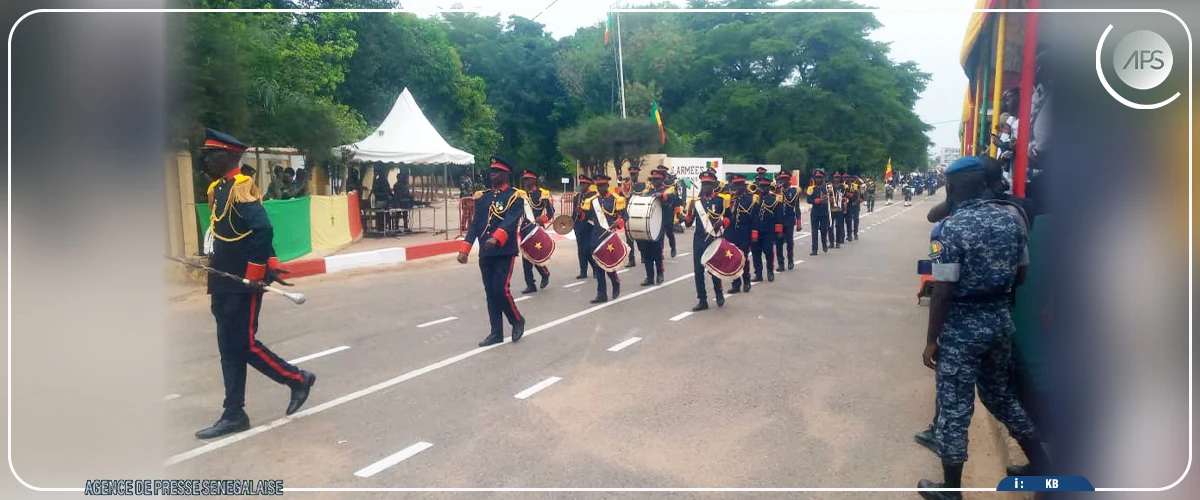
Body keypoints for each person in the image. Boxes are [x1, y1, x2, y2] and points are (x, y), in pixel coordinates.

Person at [917, 156, 1048, 499]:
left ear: (952, 187)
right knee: (1001, 397)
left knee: (955, 406)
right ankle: (1042, 466)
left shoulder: (952, 228)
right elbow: (1021, 275)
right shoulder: (1010, 221)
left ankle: (951, 489)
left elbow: (943, 290)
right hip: (1000, 321)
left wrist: (931, 340)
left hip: (962, 328)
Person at [195, 128, 316, 440]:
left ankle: (296, 379)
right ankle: (234, 413)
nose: (206, 159)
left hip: (242, 282)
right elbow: (237, 233)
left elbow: (262, 230)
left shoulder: (242, 187)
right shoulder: (217, 189)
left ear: (228, 156)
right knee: (228, 348)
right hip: (222, 279)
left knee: (243, 344)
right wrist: (271, 262)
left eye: (211, 154)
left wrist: (256, 272)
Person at [457, 157, 527, 347]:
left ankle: (517, 320)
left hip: (504, 251)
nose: (492, 174)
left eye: (496, 171)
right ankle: (496, 332)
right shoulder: (483, 197)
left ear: (506, 174)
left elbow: (511, 220)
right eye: (491, 171)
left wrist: (497, 237)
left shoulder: (514, 196)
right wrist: (465, 249)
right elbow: (475, 224)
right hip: (486, 252)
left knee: (500, 289)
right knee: (490, 293)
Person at [684, 170, 728, 311]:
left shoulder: (720, 200)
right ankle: (702, 300)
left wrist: (722, 222)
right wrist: (688, 213)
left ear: (713, 185)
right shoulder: (696, 202)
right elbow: (688, 223)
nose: (705, 186)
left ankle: (719, 293)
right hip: (699, 240)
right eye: (703, 184)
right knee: (698, 271)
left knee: (714, 269)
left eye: (708, 184)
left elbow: (729, 218)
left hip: (714, 239)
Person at [586, 174, 625, 303]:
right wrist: (580, 213)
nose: (600, 188)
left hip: (609, 236)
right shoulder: (593, 201)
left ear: (607, 186)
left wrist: (617, 222)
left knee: (608, 263)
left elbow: (624, 216)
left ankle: (615, 281)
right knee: (598, 266)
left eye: (602, 185)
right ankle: (601, 294)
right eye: (598, 186)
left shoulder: (616, 199)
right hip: (596, 235)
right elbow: (587, 217)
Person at [638, 169, 678, 286]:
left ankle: (660, 274)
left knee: (657, 252)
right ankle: (649, 277)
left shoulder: (667, 190)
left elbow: (671, 198)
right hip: (647, 225)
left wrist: (661, 196)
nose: (654, 181)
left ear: (662, 179)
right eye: (653, 179)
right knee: (646, 252)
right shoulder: (648, 192)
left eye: (657, 179)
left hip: (660, 225)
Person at [518, 171, 553, 294]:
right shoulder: (522, 195)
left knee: (535, 255)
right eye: (524, 179)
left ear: (534, 180)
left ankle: (544, 273)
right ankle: (530, 284)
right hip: (524, 228)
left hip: (535, 228)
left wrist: (542, 219)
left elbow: (551, 212)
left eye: (528, 179)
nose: (526, 181)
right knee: (525, 257)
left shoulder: (542, 194)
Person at [725, 174, 755, 293]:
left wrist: (753, 233)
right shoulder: (729, 198)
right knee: (732, 259)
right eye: (735, 185)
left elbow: (753, 218)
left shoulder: (750, 199)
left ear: (743, 186)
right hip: (731, 233)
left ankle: (746, 281)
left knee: (743, 258)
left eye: (738, 185)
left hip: (744, 232)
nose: (736, 188)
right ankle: (735, 284)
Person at [751, 177, 783, 283]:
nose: (762, 188)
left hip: (768, 230)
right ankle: (758, 274)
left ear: (769, 187)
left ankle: (770, 271)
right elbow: (753, 216)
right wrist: (753, 231)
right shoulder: (755, 198)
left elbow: (778, 216)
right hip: (756, 230)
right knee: (756, 253)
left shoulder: (774, 199)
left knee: (768, 251)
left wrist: (779, 231)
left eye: (765, 186)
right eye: (761, 186)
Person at [774, 172, 801, 271]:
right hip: (778, 221)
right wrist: (777, 191)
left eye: (785, 179)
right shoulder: (776, 192)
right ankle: (781, 264)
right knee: (778, 243)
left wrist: (799, 223)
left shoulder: (794, 192)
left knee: (789, 242)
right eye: (781, 179)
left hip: (789, 221)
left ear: (789, 180)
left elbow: (797, 208)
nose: (782, 181)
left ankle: (790, 261)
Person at [573, 175, 597, 280]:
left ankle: (596, 269)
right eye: (581, 184)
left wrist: (582, 214)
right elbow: (574, 214)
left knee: (588, 250)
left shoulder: (593, 197)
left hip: (589, 227)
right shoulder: (577, 197)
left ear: (589, 185)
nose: (581, 186)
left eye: (584, 184)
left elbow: (594, 213)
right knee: (581, 250)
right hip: (579, 227)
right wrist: (572, 224)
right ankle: (583, 271)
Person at [655, 165, 681, 258]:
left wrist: (678, 212)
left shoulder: (671, 183)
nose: (661, 174)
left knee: (669, 232)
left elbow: (676, 199)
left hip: (669, 211)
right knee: (660, 234)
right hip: (659, 211)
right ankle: (660, 252)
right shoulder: (655, 183)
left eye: (662, 172)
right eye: (660, 172)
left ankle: (673, 247)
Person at [806, 169, 831, 255]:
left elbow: (831, 198)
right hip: (815, 212)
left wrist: (828, 200)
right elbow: (808, 200)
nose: (818, 179)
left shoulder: (827, 188)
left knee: (824, 230)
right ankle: (814, 249)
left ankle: (824, 243)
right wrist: (817, 201)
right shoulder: (811, 188)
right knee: (814, 231)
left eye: (820, 178)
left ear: (823, 178)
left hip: (824, 212)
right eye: (816, 178)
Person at [621, 166, 642, 269]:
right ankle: (631, 259)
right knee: (629, 239)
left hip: (638, 214)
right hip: (627, 214)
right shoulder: (626, 186)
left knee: (640, 238)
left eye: (634, 174)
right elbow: (621, 198)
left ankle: (643, 255)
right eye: (631, 174)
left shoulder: (642, 185)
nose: (632, 176)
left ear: (638, 174)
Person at [830, 173, 847, 247]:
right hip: (831, 209)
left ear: (840, 179)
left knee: (838, 226)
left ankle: (838, 242)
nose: (836, 179)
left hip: (839, 209)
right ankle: (831, 242)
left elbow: (845, 196)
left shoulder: (843, 187)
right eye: (835, 178)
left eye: (838, 178)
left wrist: (843, 200)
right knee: (830, 226)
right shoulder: (830, 187)